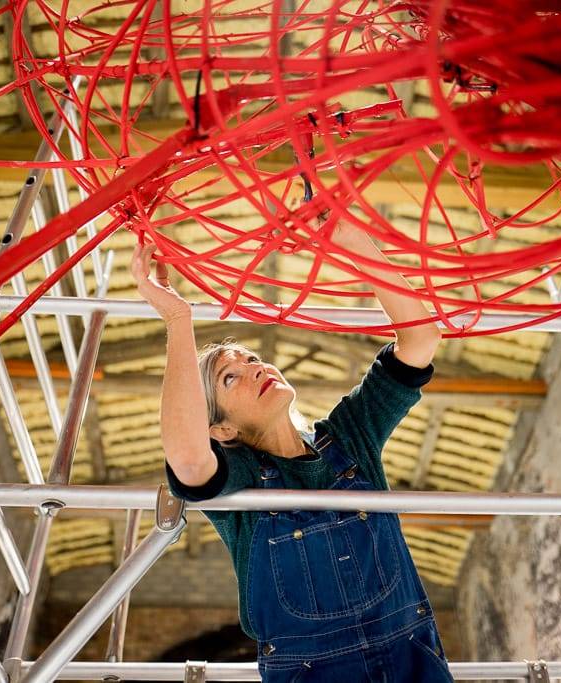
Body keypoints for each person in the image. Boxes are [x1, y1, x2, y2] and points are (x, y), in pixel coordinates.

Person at [131, 217, 452, 682]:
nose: (255, 369)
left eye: (253, 361)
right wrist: (178, 319)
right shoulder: (237, 479)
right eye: (230, 377)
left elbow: (421, 339)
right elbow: (186, 457)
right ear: (220, 430)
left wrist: (354, 240)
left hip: (412, 661)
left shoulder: (350, 436)